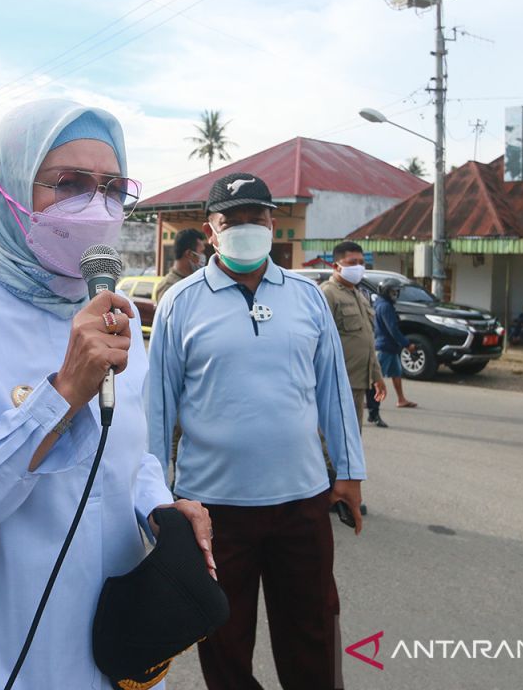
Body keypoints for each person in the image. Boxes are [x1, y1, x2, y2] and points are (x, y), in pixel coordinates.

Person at [0, 99, 213, 689]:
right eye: (69, 184)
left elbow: (130, 455)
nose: (95, 205)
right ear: (5, 190)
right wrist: (60, 396)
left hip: (107, 653)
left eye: (111, 188)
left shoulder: (115, 315)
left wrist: (160, 507)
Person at [146, 171, 366, 690]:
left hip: (302, 500)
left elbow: (333, 390)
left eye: (256, 218)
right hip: (213, 509)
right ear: (211, 232)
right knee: (223, 641)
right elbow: (157, 405)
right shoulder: (181, 302)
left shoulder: (307, 297)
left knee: (312, 632)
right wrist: (155, 496)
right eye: (232, 221)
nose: (247, 228)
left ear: (273, 223)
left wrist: (351, 473)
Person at [322, 242, 388, 432]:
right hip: (337, 384)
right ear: (336, 266)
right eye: (352, 262)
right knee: (334, 439)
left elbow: (367, 340)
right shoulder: (328, 294)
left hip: (358, 383)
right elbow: (318, 341)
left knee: (352, 437)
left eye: (361, 263)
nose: (358, 267)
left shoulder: (359, 295)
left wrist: (377, 376)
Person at [373, 277, 418, 410]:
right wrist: (406, 344)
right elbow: (392, 329)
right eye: (393, 292)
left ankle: (401, 399)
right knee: (375, 377)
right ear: (386, 291)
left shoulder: (381, 303)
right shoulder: (385, 306)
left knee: (396, 373)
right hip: (384, 346)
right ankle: (368, 400)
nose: (395, 295)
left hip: (390, 347)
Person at [153, 228, 206, 304]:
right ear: (189, 254)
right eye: (201, 252)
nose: (203, 257)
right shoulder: (169, 287)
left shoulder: (194, 281)